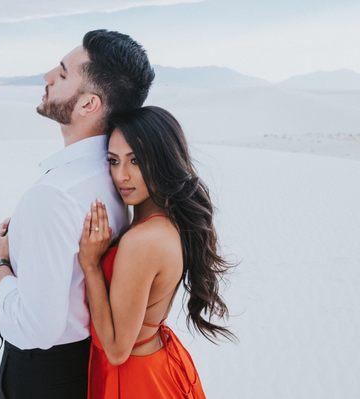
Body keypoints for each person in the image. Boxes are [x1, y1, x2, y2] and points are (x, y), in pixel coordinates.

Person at [0, 30, 154, 398]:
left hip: (40, 378)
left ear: (88, 104)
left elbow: (38, 328)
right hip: (81, 371)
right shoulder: (117, 180)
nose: (47, 76)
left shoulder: (54, 194)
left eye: (62, 74)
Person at [77, 106, 239, 398]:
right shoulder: (165, 222)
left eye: (136, 161)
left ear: (163, 160)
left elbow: (115, 349)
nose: (122, 175)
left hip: (135, 379)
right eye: (114, 161)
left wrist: (90, 266)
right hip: (156, 362)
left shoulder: (143, 240)